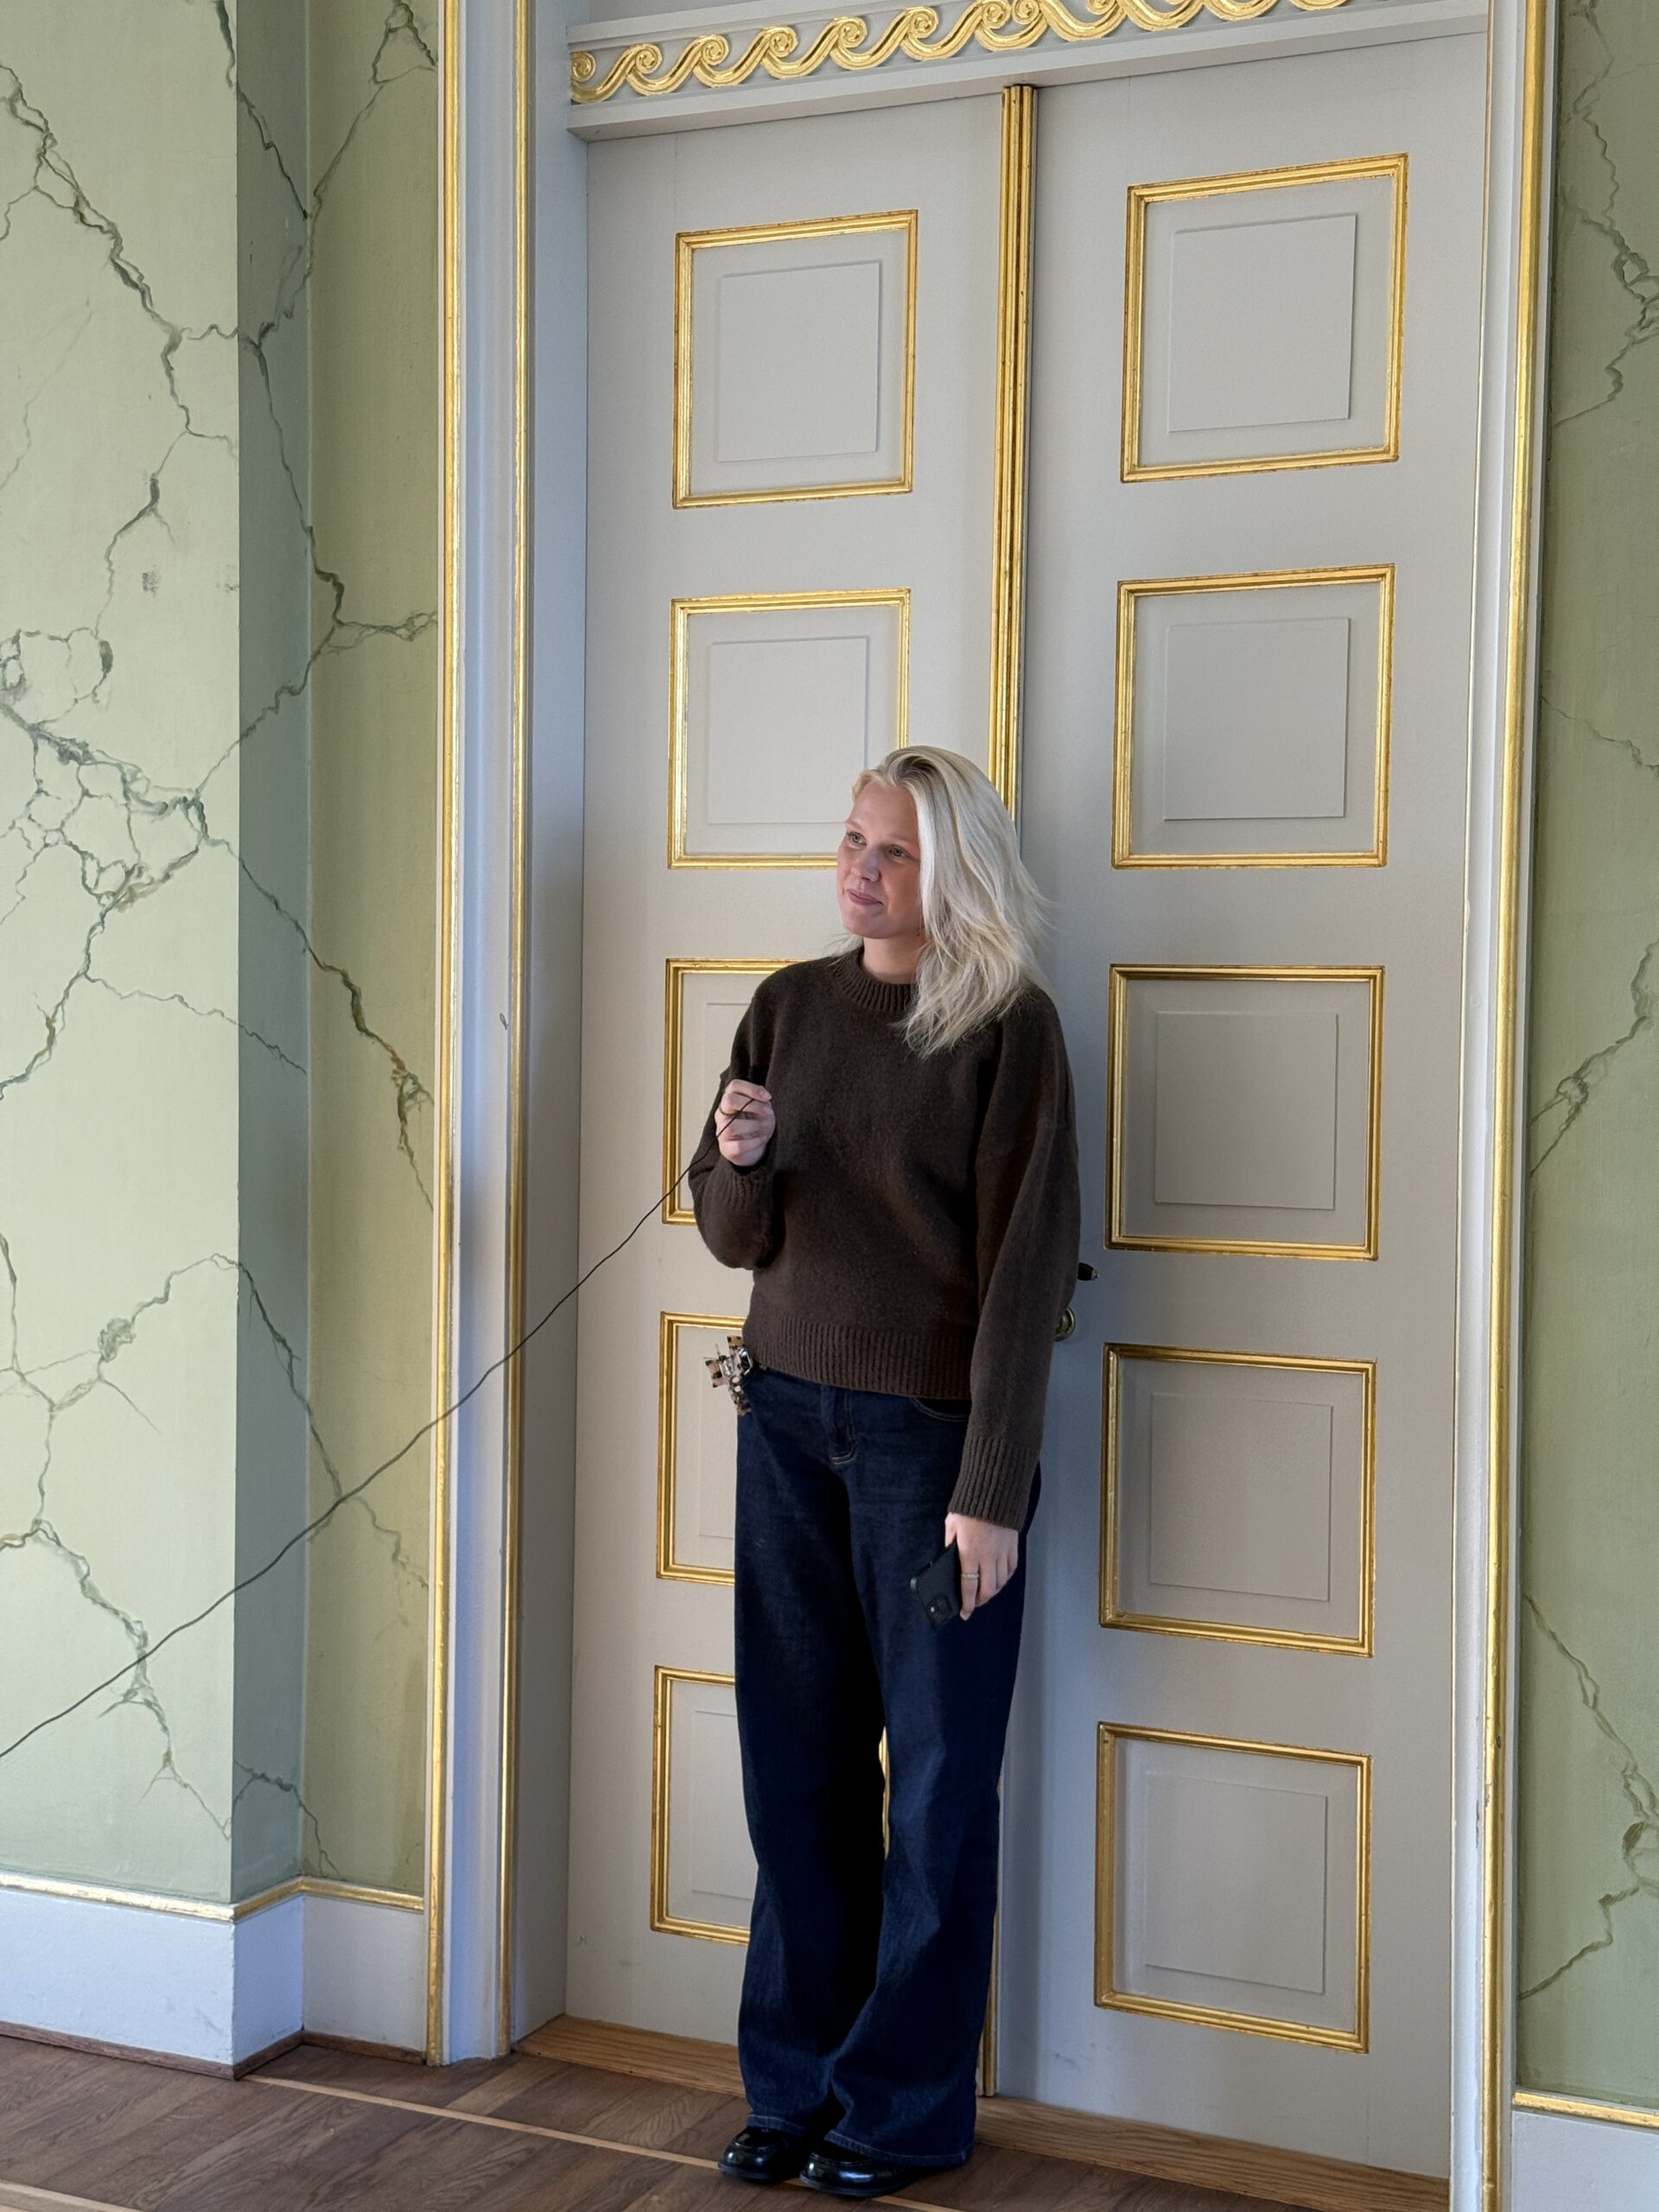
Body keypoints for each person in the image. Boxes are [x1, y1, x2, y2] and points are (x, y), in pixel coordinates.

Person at [690, 746, 1082, 2201]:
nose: (859, 871)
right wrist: (738, 1157)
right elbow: (731, 1234)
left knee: (935, 1790)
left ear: (952, 872)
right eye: (853, 840)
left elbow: (1028, 1269)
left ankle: (902, 2111)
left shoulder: (1010, 1028)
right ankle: (792, 2092)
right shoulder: (788, 1007)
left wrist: (994, 1485)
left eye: (894, 852)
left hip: (932, 1452)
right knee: (794, 1775)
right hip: (785, 1428)